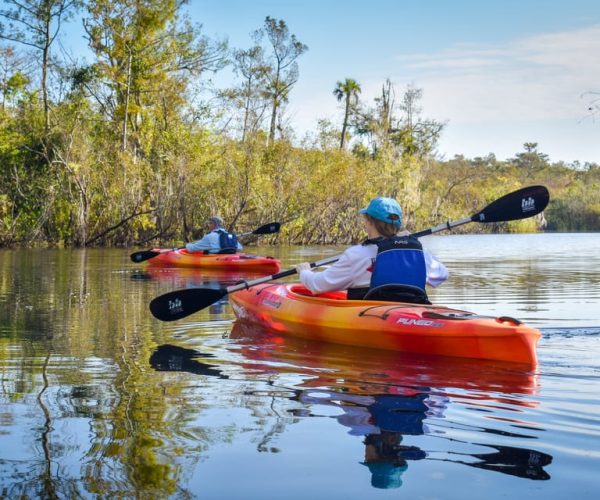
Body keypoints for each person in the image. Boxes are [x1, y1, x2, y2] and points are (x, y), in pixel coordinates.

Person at [295, 197, 448, 301]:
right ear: (398, 225)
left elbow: (317, 285)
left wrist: (304, 272)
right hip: (408, 311)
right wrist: (412, 243)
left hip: (370, 313)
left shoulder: (355, 255)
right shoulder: (417, 252)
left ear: (369, 221)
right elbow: (441, 275)